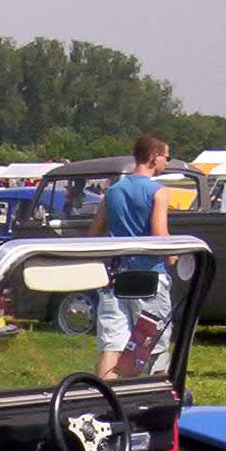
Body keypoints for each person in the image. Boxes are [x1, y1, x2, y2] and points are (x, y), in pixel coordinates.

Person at [88, 134, 175, 380]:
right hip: (147, 275)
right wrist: (173, 257)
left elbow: (95, 232)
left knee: (111, 343)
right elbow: (159, 234)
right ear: (153, 156)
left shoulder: (113, 191)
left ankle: (103, 397)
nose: (166, 162)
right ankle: (148, 396)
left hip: (115, 275)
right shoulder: (158, 192)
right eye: (165, 157)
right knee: (151, 343)